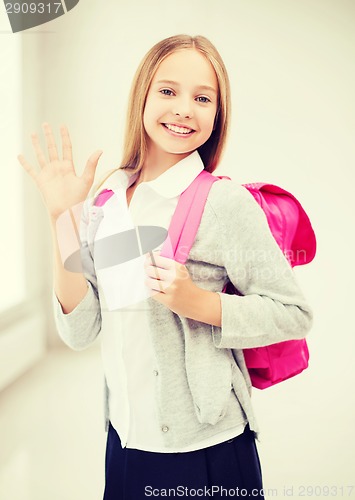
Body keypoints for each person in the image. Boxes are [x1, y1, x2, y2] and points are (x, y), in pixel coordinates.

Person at [18, 34, 313, 500]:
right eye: (168, 91)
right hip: (125, 443)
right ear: (143, 96)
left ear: (217, 115)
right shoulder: (109, 196)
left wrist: (198, 303)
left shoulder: (223, 203)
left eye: (202, 98)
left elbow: (294, 313)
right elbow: (81, 329)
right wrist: (62, 219)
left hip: (208, 452)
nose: (183, 109)